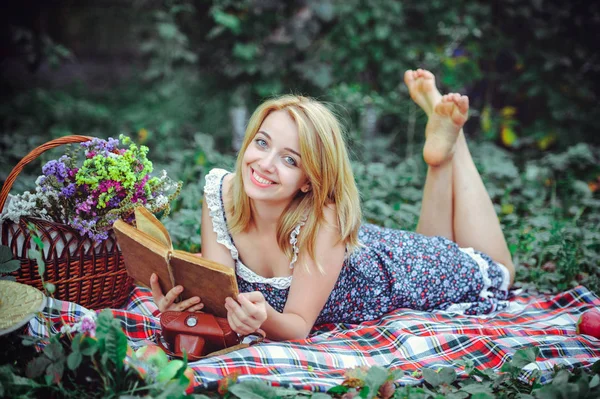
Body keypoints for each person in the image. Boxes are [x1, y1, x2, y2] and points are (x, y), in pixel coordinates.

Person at [150, 69, 515, 341]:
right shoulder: (223, 192)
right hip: (363, 249)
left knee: (498, 271)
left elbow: (296, 326)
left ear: (309, 180)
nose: (264, 164)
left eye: (289, 160)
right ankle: (440, 155)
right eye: (262, 143)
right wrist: (184, 306)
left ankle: (456, 139)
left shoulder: (324, 218)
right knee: (435, 241)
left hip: (399, 271)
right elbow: (221, 293)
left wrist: (264, 319)